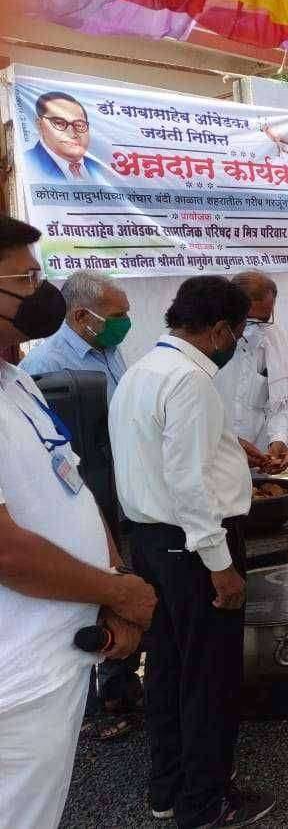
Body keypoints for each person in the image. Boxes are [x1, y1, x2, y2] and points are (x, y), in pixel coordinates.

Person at [0, 215, 156, 829]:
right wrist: (119, 591)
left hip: (61, 656)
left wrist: (112, 583)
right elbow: (7, 551)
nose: (43, 293)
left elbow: (71, 482)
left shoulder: (16, 380)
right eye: (25, 278)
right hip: (16, 685)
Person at [110, 276, 275, 828]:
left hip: (152, 544)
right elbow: (188, 486)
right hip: (194, 546)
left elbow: (166, 457)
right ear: (222, 330)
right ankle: (205, 804)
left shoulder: (140, 371)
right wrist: (221, 566)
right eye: (239, 332)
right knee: (209, 677)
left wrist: (232, 448)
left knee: (168, 670)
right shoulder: (190, 380)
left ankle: (168, 789)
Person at [19, 271, 138, 741]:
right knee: (88, 591)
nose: (124, 323)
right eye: (117, 315)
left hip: (119, 486)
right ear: (80, 316)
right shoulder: (44, 367)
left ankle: (120, 684)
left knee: (120, 576)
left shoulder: (109, 351)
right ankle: (91, 700)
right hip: (78, 493)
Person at [213, 272, 288, 475]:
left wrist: (278, 439)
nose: (253, 328)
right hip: (214, 461)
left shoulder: (272, 336)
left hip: (257, 462)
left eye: (264, 319)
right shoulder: (210, 345)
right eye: (248, 320)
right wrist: (230, 444)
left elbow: (284, 402)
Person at [20, 271, 130, 404]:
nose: (126, 321)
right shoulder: (45, 363)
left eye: (126, 313)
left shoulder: (110, 346)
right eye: (118, 315)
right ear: (81, 316)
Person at [26, 91, 111, 183]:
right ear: (40, 125)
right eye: (59, 123)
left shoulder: (100, 168)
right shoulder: (26, 163)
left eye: (79, 125)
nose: (72, 133)